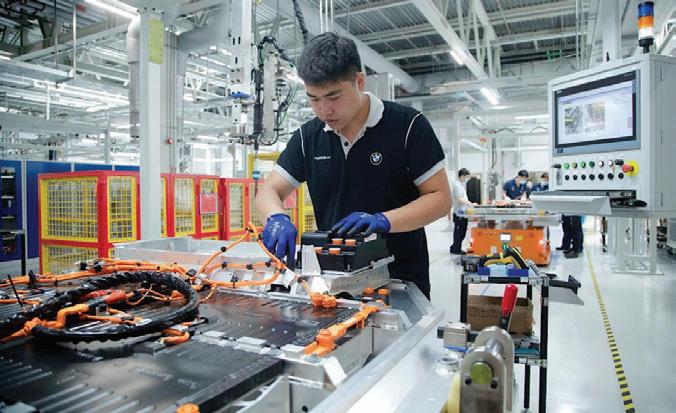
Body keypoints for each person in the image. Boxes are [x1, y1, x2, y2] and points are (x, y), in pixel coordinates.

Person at [254, 32, 452, 298]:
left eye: (333, 97)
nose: (324, 110)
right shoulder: (307, 137)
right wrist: (276, 217)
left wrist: (384, 220)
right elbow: (268, 191)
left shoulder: (408, 127)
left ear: (359, 81)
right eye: (314, 99)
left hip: (400, 282)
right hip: (332, 285)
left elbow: (440, 198)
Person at [450, 168, 475, 255]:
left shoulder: (460, 186)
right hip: (459, 214)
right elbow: (459, 200)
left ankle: (454, 247)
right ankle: (456, 249)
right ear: (462, 176)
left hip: (462, 213)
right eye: (466, 177)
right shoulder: (457, 186)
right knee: (459, 233)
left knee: (461, 232)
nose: (467, 179)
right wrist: (470, 203)